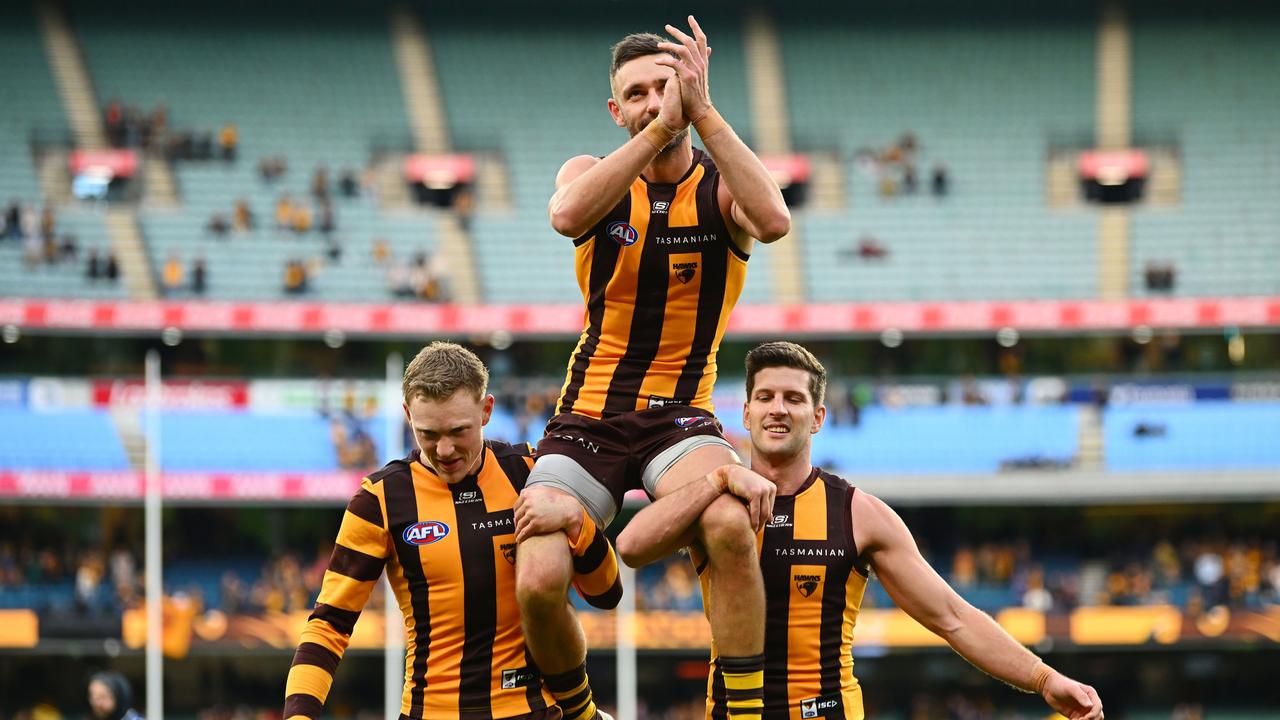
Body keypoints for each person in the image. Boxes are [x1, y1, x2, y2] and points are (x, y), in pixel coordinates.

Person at [514, 17, 791, 720]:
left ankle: (746, 712)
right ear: (617, 110)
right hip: (587, 417)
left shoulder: (720, 188)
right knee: (539, 571)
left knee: (730, 523)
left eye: (663, 87)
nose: (650, 102)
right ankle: (580, 713)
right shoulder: (591, 175)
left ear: (691, 88)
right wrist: (659, 131)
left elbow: (775, 218)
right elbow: (566, 212)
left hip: (679, 422)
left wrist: (702, 115)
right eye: (635, 94)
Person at [617, 342, 1106, 720]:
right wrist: (717, 477)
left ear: (818, 418)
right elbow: (632, 547)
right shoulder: (716, 504)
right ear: (745, 414)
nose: (778, 409)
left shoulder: (858, 513)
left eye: (794, 398)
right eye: (764, 397)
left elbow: (952, 616)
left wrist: (1043, 679)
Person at [284, 342, 621, 720]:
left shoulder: (532, 472)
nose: (444, 449)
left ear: (486, 410)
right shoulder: (378, 500)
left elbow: (606, 593)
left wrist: (577, 520)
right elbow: (329, 625)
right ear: (407, 415)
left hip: (535, 711)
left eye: (459, 431)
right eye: (427, 434)